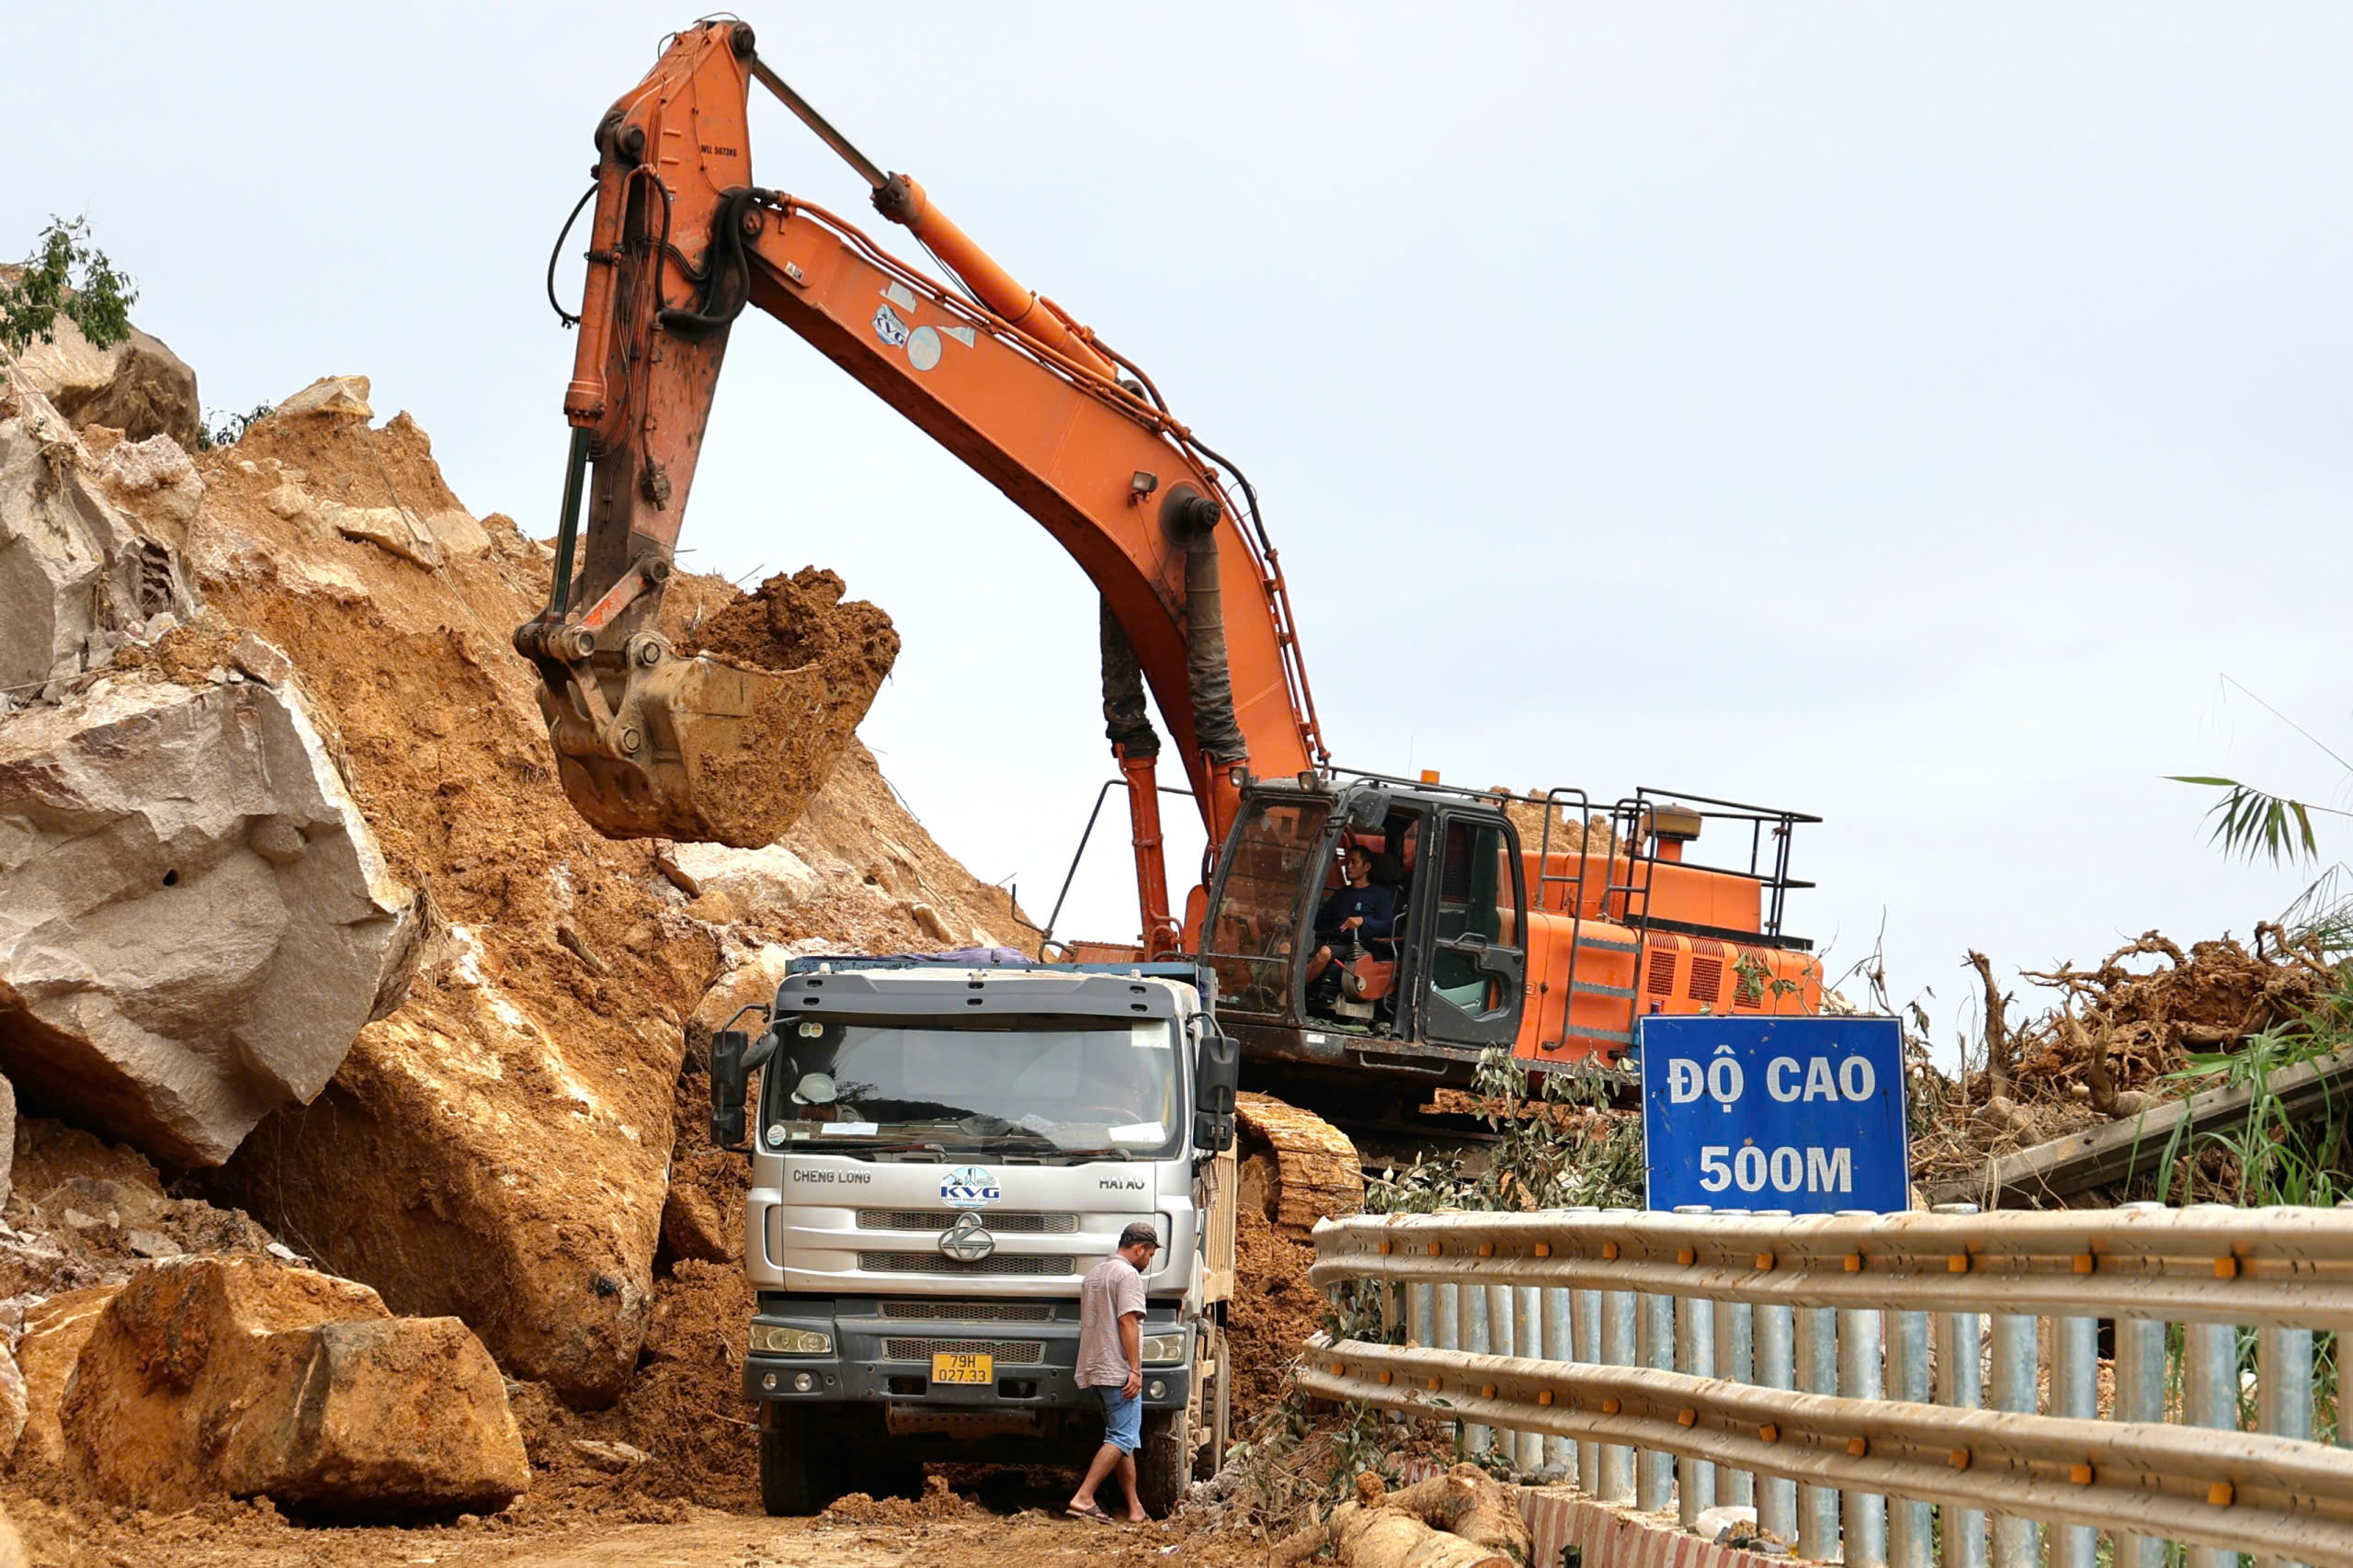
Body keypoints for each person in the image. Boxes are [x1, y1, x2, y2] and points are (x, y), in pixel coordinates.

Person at [1067, 1221, 1160, 1523]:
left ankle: (1135, 1509)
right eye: (1150, 1254)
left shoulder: (1094, 1275)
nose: (1150, 1261)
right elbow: (1127, 1322)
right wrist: (1135, 1370)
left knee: (1124, 1439)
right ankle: (1083, 1497)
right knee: (1121, 1436)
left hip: (1094, 1367)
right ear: (1139, 1249)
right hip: (1118, 1370)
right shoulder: (1127, 1275)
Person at [1304, 843, 1396, 999]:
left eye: (1354, 862)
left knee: (1325, 952)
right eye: (1347, 862)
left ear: (1367, 867)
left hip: (1356, 947)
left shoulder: (1380, 895)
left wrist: (1363, 921)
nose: (1348, 866)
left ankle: (1291, 993)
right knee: (1287, 947)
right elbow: (1319, 921)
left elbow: (1388, 926)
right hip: (1332, 940)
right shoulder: (1341, 895)